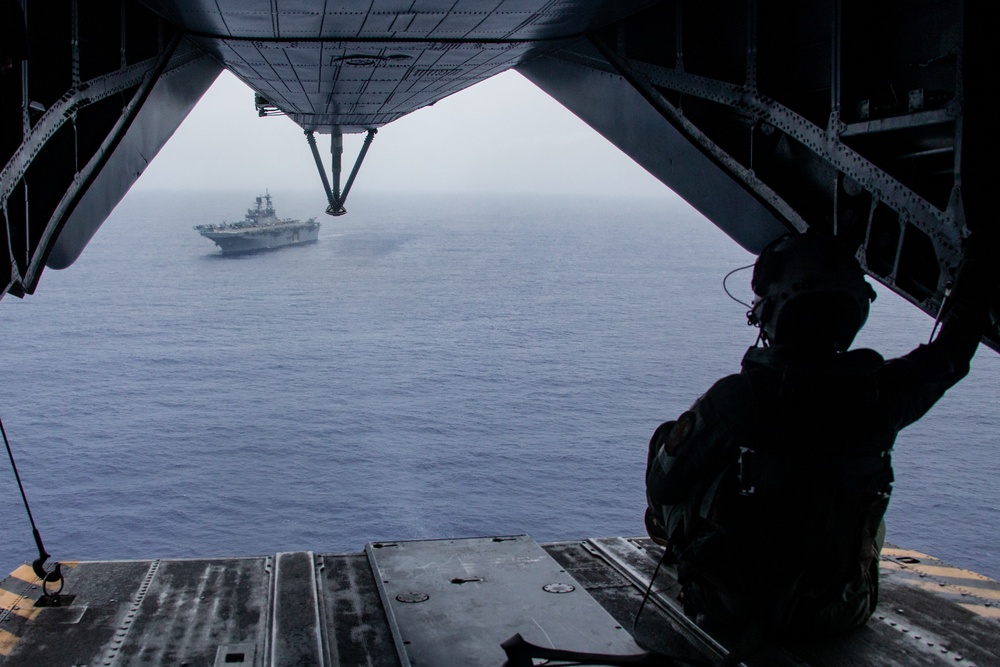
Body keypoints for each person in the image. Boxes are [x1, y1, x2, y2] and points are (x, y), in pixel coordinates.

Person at [644, 231, 994, 637]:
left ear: (775, 311)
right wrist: (980, 268)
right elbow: (953, 353)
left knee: (667, 442)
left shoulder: (735, 400)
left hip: (737, 609)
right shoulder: (884, 394)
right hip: (842, 610)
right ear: (855, 311)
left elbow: (663, 483)